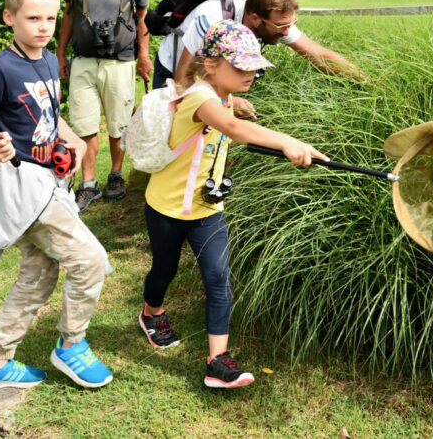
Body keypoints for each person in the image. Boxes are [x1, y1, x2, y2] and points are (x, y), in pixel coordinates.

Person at [137, 19, 327, 389]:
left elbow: (228, 121)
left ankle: (217, 362)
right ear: (211, 65)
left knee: (218, 279)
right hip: (167, 208)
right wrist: (286, 141)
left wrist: (241, 107)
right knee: (164, 270)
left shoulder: (223, 97)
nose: (251, 73)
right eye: (240, 66)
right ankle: (152, 313)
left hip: (207, 210)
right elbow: (233, 128)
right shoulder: (199, 98)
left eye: (254, 66)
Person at [0, 0, 116, 392]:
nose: (44, 28)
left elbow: (50, 118)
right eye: (33, 19)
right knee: (88, 261)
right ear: (9, 17)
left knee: (38, 275)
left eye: (51, 19)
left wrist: (74, 146)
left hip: (51, 183)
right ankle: (72, 345)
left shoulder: (51, 59)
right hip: (21, 188)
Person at [152, 0, 364, 116]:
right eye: (281, 26)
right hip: (175, 69)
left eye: (291, 24)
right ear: (255, 18)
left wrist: (363, 80)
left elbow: (317, 53)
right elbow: (183, 81)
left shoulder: (275, 20)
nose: (286, 32)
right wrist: (231, 102)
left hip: (217, 71)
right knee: (169, 134)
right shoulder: (210, 19)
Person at [57, 0, 150, 210]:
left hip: (120, 60)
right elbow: (69, 14)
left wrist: (144, 55)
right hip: (83, 59)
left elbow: (142, 17)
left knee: (118, 124)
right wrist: (60, 53)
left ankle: (115, 176)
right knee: (84, 122)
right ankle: (88, 184)